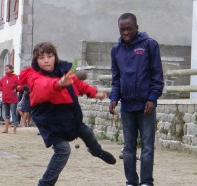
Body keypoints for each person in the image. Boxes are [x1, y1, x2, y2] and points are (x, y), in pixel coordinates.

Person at [19, 42, 116, 186]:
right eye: (41, 57)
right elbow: (42, 86)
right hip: (50, 120)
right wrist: (58, 84)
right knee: (63, 150)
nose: (46, 60)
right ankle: (45, 184)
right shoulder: (33, 76)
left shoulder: (63, 71)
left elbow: (78, 84)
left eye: (49, 56)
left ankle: (98, 152)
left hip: (70, 116)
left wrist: (94, 93)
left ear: (55, 57)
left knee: (88, 134)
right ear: (36, 61)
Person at [109, 13, 164, 186]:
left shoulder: (149, 45)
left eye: (129, 29)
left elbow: (157, 75)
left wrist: (153, 98)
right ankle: (131, 181)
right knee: (128, 147)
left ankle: (146, 182)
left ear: (137, 28)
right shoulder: (116, 50)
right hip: (127, 107)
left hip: (146, 105)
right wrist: (113, 98)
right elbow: (116, 78)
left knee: (147, 147)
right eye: (122, 29)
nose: (125, 32)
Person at [0, 64, 19, 134]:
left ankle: (14, 129)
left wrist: (16, 90)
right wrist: (2, 89)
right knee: (6, 114)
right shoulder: (4, 78)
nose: (6, 71)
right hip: (5, 98)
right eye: (5, 69)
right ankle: (6, 129)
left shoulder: (16, 77)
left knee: (13, 113)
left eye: (7, 69)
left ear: (11, 69)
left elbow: (20, 85)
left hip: (12, 98)